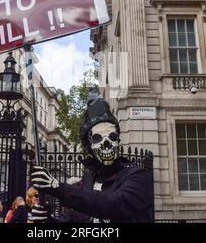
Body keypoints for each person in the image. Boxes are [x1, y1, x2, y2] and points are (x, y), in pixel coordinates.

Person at [30, 88, 154, 223]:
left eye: (112, 136)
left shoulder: (138, 175)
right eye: (97, 138)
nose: (107, 144)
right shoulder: (85, 183)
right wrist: (46, 221)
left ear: (118, 140)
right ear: (89, 146)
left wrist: (57, 187)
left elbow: (116, 204)